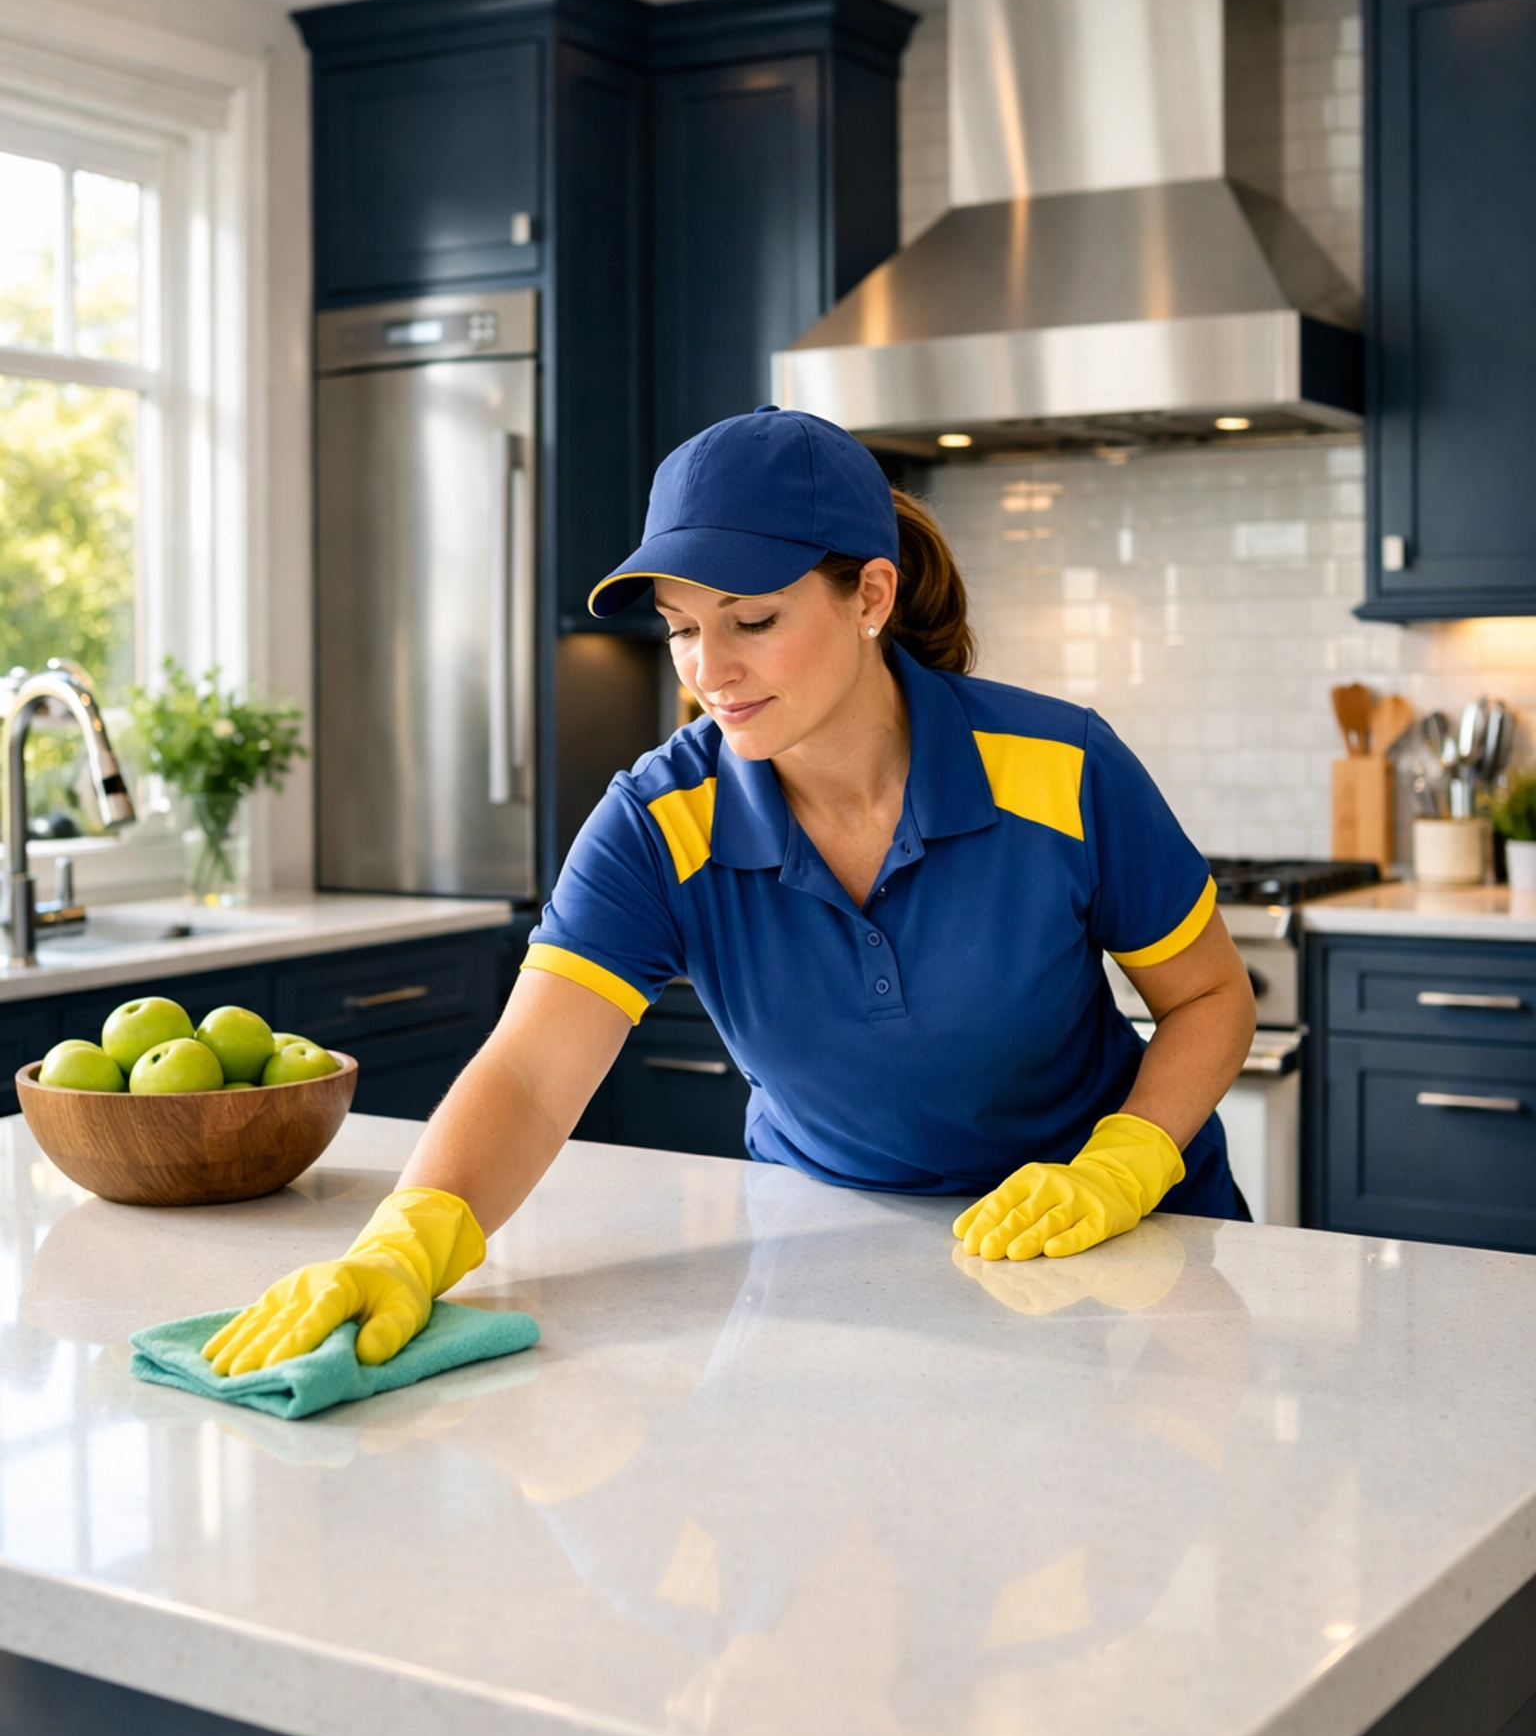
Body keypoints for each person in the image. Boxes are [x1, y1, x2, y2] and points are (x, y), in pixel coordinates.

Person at [203, 407, 1256, 1377]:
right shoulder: (660, 822)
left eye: (752, 620)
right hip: (832, 1264)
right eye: (681, 627)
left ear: (870, 598)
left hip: (1122, 1256)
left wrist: (1122, 1166)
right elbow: (528, 1077)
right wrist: (407, 1238)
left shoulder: (1060, 765)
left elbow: (1209, 997)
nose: (711, 668)